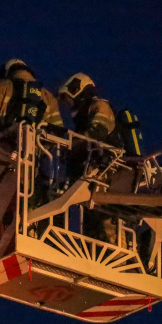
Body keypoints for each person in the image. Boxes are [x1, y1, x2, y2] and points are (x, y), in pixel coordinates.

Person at [58, 72, 119, 244]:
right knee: (91, 218)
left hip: (105, 172)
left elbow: (97, 132)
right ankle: (97, 247)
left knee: (105, 219)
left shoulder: (100, 106)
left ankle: (113, 253)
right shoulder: (85, 114)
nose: (69, 105)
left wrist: (73, 144)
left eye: (69, 99)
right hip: (93, 174)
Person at [0, 59, 63, 134]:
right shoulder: (48, 96)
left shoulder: (2, 86)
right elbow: (58, 131)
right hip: (36, 150)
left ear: (6, 72)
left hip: (3, 145)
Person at [57, 72, 116, 142]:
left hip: (106, 151)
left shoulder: (100, 105)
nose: (67, 103)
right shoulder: (82, 115)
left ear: (76, 90)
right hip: (94, 151)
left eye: (67, 98)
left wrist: (75, 142)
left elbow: (98, 132)